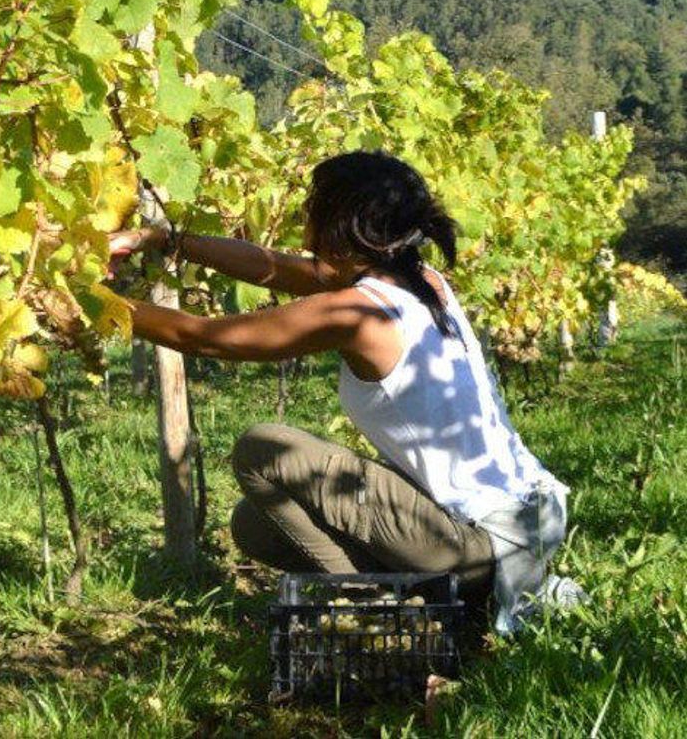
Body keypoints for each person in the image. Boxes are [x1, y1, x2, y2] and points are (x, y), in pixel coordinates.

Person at [109, 150, 582, 632]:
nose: (303, 211)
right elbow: (276, 268)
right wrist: (166, 241)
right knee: (254, 525)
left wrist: (94, 303)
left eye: (315, 201)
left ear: (342, 220)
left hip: (479, 544)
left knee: (264, 448)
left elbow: (202, 337)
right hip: (530, 525)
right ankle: (445, 600)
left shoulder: (361, 315)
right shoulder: (424, 281)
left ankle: (379, 613)